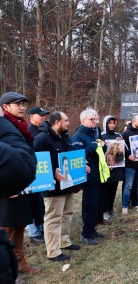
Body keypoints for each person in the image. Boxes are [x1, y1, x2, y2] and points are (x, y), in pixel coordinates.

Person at [0, 92, 41, 284]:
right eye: (17, 104)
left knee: (19, 227)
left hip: (22, 185)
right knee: (6, 230)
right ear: (5, 107)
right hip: (8, 187)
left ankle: (21, 263)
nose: (22, 107)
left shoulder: (20, 126)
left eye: (23, 104)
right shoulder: (3, 125)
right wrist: (10, 182)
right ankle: (8, 271)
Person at [34, 111, 81, 262]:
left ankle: (64, 241)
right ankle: (53, 251)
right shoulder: (41, 139)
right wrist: (51, 173)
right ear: (57, 122)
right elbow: (36, 162)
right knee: (53, 218)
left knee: (67, 214)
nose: (68, 123)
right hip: (53, 188)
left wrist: (81, 166)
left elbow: (69, 158)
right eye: (66, 121)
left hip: (67, 184)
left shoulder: (64, 137)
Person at [72, 108, 108, 245]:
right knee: (89, 205)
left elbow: (99, 151)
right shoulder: (78, 136)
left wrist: (103, 147)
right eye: (92, 119)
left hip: (98, 173)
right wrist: (93, 146)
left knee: (97, 204)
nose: (95, 122)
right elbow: (77, 156)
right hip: (88, 176)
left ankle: (92, 229)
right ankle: (86, 234)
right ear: (83, 120)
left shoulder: (95, 133)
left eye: (96, 119)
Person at [27, 106, 49, 244]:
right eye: (40, 115)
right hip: (32, 171)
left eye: (44, 115)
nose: (43, 117)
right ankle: (33, 232)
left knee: (40, 202)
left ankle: (40, 228)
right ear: (31, 117)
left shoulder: (44, 130)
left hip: (43, 171)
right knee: (31, 201)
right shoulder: (28, 132)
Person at [101, 115, 125, 220]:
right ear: (106, 124)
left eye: (113, 123)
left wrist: (120, 141)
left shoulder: (118, 134)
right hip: (106, 168)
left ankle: (110, 208)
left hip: (116, 167)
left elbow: (125, 149)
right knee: (105, 190)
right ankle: (104, 210)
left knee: (113, 189)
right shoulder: (101, 135)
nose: (112, 125)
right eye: (109, 123)